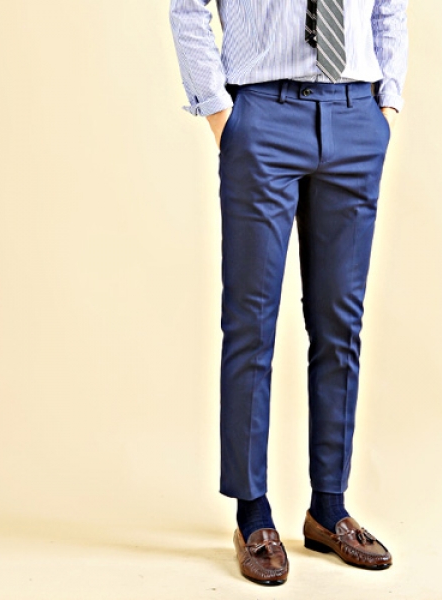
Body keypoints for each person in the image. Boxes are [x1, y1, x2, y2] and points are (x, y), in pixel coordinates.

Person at [169, 0, 409, 585]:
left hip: (355, 114)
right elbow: (187, 9)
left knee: (339, 324)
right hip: (262, 115)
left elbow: (389, 10)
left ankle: (329, 508)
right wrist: (221, 113)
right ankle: (252, 514)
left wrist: (387, 104)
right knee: (250, 324)